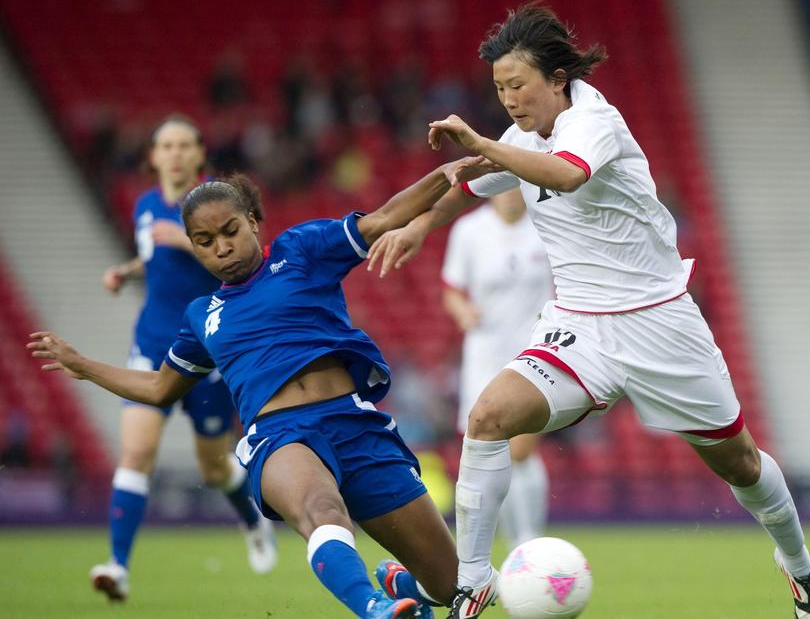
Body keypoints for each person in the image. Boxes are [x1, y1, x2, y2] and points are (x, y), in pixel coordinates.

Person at [368, 3, 810, 619]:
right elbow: (470, 186)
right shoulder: (519, 136)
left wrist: (482, 145)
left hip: (660, 322)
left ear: (556, 77)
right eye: (499, 88)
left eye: (517, 85)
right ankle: (472, 581)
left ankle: (800, 572)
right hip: (578, 326)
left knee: (741, 464)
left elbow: (565, 175)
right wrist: (422, 227)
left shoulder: (594, 121)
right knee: (488, 417)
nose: (507, 99)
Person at [30, 157, 500, 618]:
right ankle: (375, 609)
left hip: (356, 424)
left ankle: (403, 584)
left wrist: (443, 175)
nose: (221, 247)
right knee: (321, 508)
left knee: (452, 585)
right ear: (193, 246)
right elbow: (158, 388)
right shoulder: (202, 316)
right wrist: (84, 366)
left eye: (230, 231)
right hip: (279, 435)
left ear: (253, 221)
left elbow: (384, 219)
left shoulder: (302, 250)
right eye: (205, 241)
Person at [91, 115, 275, 602]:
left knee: (215, 469)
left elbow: (239, 259)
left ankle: (253, 522)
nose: (173, 154)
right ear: (153, 157)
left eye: (182, 145)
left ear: (198, 153)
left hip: (205, 350)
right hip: (151, 344)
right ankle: (118, 566)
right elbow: (153, 256)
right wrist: (126, 271)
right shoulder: (145, 206)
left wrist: (190, 245)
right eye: (164, 146)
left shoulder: (213, 206)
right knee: (136, 453)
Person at [441, 187, 553, 549]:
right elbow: (452, 288)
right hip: (485, 355)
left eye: (515, 187)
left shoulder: (546, 225)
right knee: (489, 451)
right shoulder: (469, 231)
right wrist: (463, 311)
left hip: (535, 351)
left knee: (521, 450)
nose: (509, 195)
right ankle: (511, 542)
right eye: (501, 188)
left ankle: (529, 538)